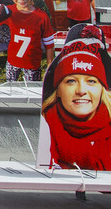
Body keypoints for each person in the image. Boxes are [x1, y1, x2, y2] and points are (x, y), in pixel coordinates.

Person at [42, 25, 111, 170]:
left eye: (92, 81)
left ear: (102, 89)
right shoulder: (48, 124)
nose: (81, 91)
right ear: (58, 90)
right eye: (71, 81)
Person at [0, 0, 55, 82]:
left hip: (32, 63)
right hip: (12, 61)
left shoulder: (41, 16)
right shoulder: (8, 11)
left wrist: (49, 65)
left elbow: (49, 44)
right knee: (10, 90)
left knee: (31, 91)